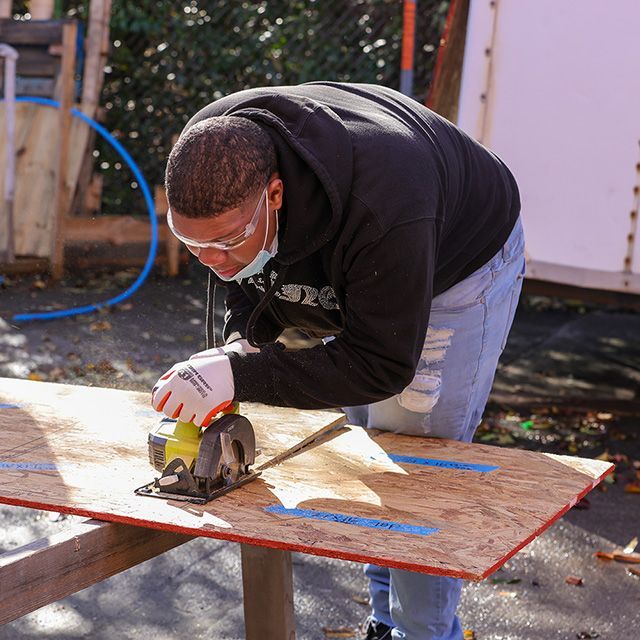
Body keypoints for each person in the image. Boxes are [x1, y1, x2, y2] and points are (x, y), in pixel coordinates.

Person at [152, 82, 525, 640]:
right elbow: (247, 279)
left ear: (274, 194)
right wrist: (239, 346)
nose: (211, 260)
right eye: (192, 244)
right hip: (366, 243)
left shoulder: (388, 204)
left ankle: (423, 634)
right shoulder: (217, 151)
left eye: (225, 241)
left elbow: (381, 364)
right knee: (368, 442)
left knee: (417, 457)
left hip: (458, 257)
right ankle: (385, 620)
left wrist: (238, 375)